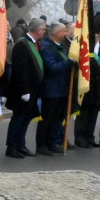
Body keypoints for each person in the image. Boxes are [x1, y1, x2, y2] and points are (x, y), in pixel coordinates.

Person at [4, 18, 46, 158]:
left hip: (33, 89)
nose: (44, 32)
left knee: (27, 117)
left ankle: (21, 144)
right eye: (44, 29)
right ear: (38, 30)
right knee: (19, 118)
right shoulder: (22, 44)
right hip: (22, 90)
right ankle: (11, 147)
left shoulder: (34, 43)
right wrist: (25, 90)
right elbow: (21, 70)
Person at [35, 22, 72, 155]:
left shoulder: (60, 46)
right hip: (51, 90)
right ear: (56, 34)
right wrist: (70, 62)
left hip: (61, 89)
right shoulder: (47, 48)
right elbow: (53, 68)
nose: (66, 34)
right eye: (64, 32)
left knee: (57, 118)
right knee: (47, 119)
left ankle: (53, 142)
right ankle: (42, 145)